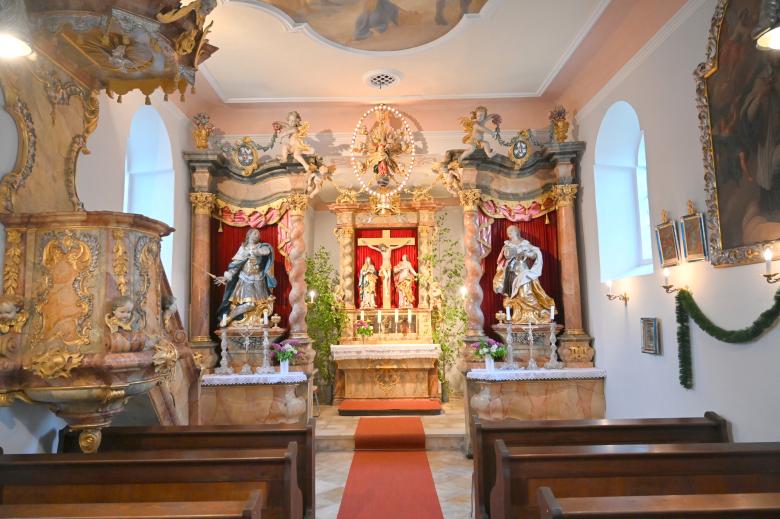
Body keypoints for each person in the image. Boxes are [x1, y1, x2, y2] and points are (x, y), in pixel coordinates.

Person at [215, 229, 276, 327]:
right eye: (255, 233)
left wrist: (255, 252)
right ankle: (229, 317)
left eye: (258, 234)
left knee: (260, 305)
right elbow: (236, 265)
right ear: (249, 235)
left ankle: (256, 321)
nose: (257, 235)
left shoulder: (262, 246)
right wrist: (227, 276)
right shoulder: (243, 249)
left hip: (259, 279)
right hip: (245, 279)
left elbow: (267, 251)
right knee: (250, 304)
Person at [492, 225, 554, 322]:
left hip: (523, 270)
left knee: (526, 293)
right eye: (508, 232)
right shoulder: (507, 244)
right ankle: (519, 316)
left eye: (511, 231)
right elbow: (506, 255)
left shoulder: (525, 243)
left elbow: (534, 254)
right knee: (515, 296)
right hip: (511, 273)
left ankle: (539, 311)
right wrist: (514, 251)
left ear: (516, 232)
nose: (508, 233)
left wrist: (526, 253)